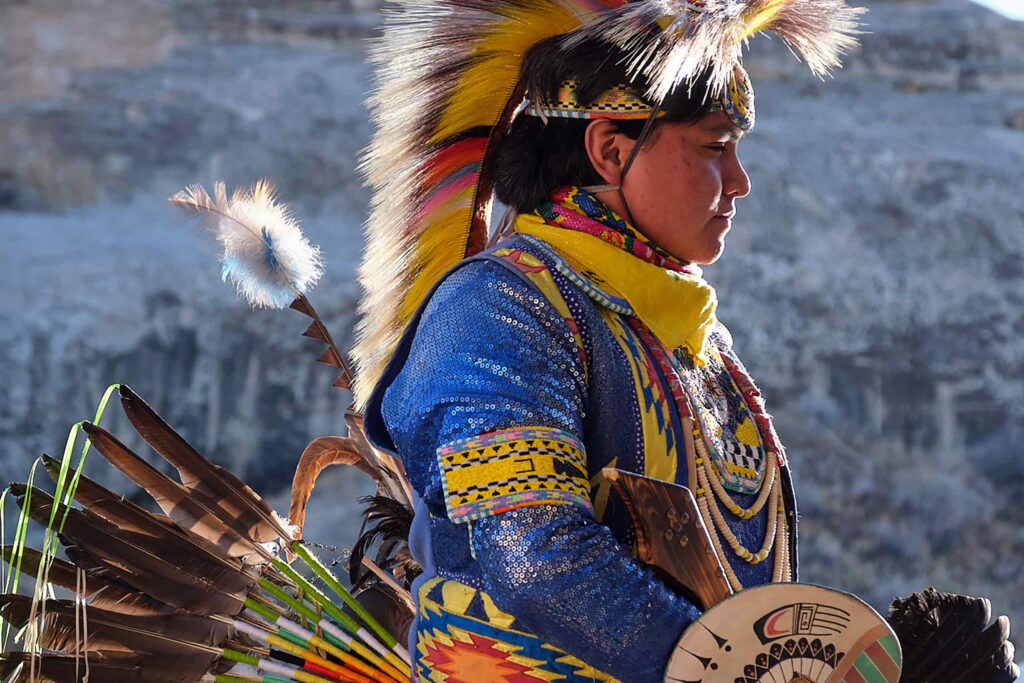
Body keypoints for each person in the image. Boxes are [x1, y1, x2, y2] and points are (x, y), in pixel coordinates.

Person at [355, 2, 860, 681]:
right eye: (714, 147)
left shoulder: (688, 338)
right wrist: (735, 668)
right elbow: (534, 554)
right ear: (610, 149)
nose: (740, 182)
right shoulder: (496, 307)